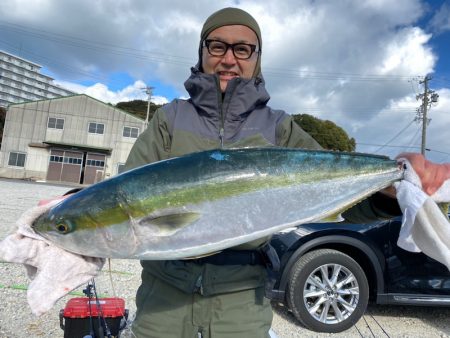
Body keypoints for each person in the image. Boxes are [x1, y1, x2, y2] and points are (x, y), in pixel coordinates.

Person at [122, 7, 450, 338]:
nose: (228, 59)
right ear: (202, 51)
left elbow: (340, 199)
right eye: (217, 46)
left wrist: (390, 187)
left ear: (256, 58)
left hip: (242, 303)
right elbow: (125, 199)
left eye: (242, 49)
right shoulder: (170, 120)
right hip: (162, 300)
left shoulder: (279, 128)